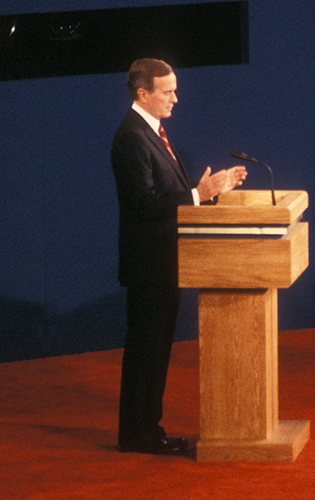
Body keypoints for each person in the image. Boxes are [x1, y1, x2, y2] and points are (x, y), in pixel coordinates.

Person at [111, 58, 247, 455]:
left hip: (165, 261)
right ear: (143, 94)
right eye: (167, 91)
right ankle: (140, 434)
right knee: (146, 350)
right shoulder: (131, 137)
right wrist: (197, 195)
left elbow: (166, 193)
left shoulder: (150, 131)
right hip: (149, 263)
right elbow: (145, 203)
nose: (175, 97)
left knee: (154, 349)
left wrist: (207, 189)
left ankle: (143, 430)